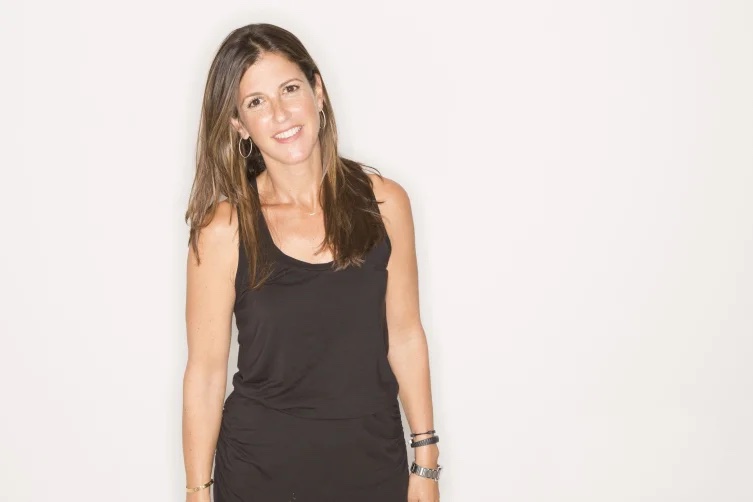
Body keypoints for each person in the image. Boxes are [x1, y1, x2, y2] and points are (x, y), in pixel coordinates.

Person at [182, 23, 441, 501]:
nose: (280, 114)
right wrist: (197, 492)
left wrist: (426, 461)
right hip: (259, 474)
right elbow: (205, 373)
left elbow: (405, 335)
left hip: (372, 466)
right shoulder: (224, 229)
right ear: (238, 124)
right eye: (256, 102)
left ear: (317, 91)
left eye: (289, 89)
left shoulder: (385, 204)